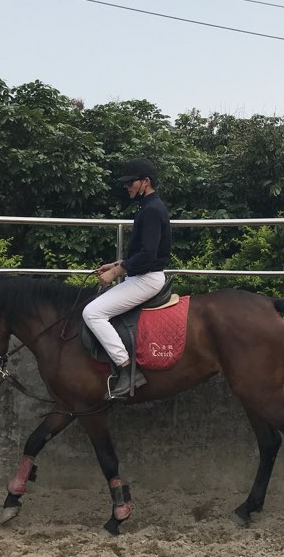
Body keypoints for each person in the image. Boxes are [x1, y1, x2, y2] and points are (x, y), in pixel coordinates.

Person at [82, 157, 172, 399]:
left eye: (130, 182)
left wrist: (116, 272)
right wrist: (116, 264)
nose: (127, 187)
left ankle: (126, 369)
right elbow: (141, 252)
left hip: (147, 279)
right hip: (141, 276)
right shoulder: (147, 207)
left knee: (92, 313)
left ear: (146, 182)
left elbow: (148, 254)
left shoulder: (152, 210)